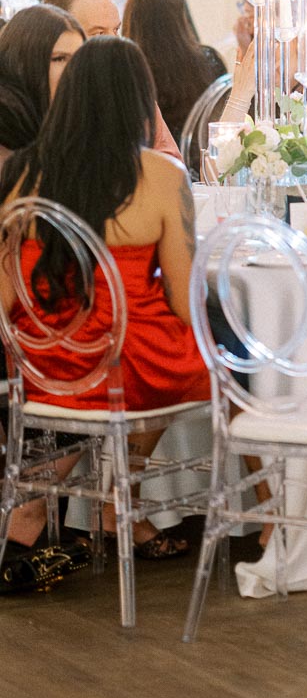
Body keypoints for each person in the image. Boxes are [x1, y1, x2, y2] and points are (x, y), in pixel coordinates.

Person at [0, 37, 210, 558]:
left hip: (44, 363)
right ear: (138, 100)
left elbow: (5, 295)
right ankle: (124, 496)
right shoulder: (160, 176)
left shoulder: (21, 172)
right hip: (125, 364)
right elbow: (185, 303)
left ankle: (36, 500)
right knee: (216, 353)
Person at [42, 0, 183, 160]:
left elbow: (172, 166)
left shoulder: (131, 88)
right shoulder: (37, 95)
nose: (115, 42)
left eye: (116, 30)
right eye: (99, 33)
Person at [122, 0, 226, 153]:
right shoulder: (209, 61)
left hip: (153, 163)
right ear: (182, 20)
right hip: (205, 159)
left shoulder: (128, 70)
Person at [0, 5, 85, 164]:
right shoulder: (8, 131)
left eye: (78, 59)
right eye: (59, 59)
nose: (73, 70)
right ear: (24, 62)